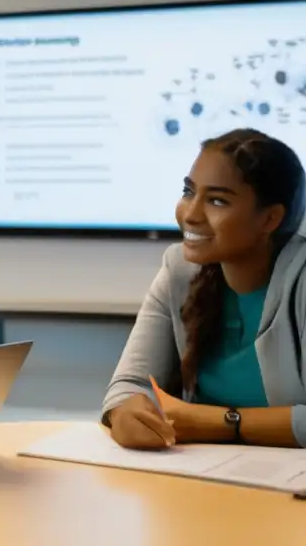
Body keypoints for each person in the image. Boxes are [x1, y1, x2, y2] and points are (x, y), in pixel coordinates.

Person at [104, 128, 306, 450]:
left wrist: (218, 423)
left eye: (216, 200)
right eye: (188, 192)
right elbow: (129, 385)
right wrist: (124, 412)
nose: (190, 215)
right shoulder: (179, 271)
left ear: (270, 218)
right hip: (205, 475)